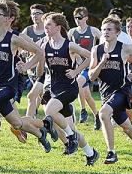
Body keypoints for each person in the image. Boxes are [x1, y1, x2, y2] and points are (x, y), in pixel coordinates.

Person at [0, 0, 56, 167]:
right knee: (17, 123)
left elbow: (39, 52)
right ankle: (42, 130)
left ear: (7, 18)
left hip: (8, 87)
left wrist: (27, 65)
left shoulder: (14, 38)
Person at [89, 17, 132, 165]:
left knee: (103, 113)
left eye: (109, 30)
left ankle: (111, 152)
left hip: (121, 91)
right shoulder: (96, 50)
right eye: (104, 29)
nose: (105, 32)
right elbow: (92, 76)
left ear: (117, 32)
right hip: (105, 93)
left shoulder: (125, 47)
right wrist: (101, 63)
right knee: (127, 128)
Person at [39, 12, 99, 165]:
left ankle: (70, 137)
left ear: (58, 27)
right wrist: (24, 66)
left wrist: (76, 71)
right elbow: (34, 56)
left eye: (49, 25)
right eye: (45, 25)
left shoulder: (69, 45)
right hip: (54, 89)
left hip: (69, 88)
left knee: (49, 111)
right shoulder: (45, 44)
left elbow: (90, 57)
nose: (45, 28)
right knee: (68, 126)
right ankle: (90, 153)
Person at [67, 7, 101, 128]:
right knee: (87, 95)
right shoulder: (71, 32)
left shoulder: (93, 31)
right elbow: (68, 48)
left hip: (89, 66)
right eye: (75, 18)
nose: (77, 20)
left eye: (80, 18)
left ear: (86, 18)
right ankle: (97, 115)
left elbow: (104, 43)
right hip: (77, 66)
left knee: (79, 83)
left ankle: (83, 110)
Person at [20, 4, 48, 122]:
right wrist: (24, 52)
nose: (34, 16)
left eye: (37, 13)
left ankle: (29, 122)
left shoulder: (48, 30)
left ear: (44, 15)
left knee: (34, 95)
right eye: (32, 14)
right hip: (31, 69)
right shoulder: (28, 30)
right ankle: (52, 118)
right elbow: (19, 46)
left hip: (45, 69)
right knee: (40, 96)